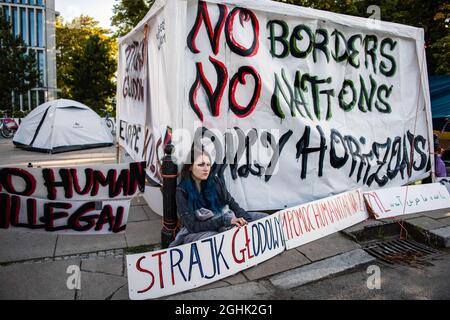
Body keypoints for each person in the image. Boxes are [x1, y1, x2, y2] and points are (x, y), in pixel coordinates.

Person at [169, 148, 268, 247]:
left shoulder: (215, 181)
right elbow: (192, 226)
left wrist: (247, 221)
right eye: (201, 164)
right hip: (199, 231)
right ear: (190, 167)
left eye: (208, 164)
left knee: (264, 219)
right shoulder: (182, 191)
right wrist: (225, 221)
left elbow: (233, 205)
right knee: (219, 238)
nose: (206, 168)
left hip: (224, 219)